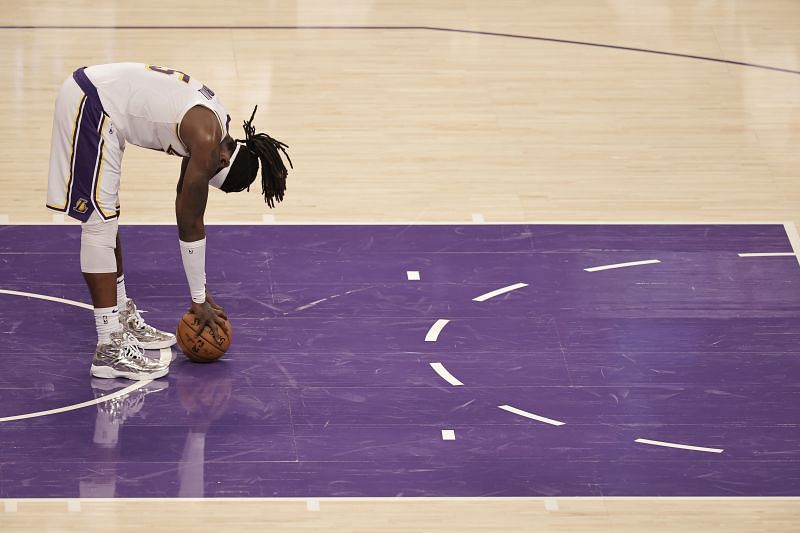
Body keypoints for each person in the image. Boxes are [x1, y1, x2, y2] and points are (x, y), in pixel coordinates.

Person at [46, 63, 292, 381]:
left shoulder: (217, 124)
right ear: (223, 160)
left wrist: (200, 293)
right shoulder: (206, 139)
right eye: (209, 177)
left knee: (107, 215)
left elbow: (181, 198)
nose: (201, 176)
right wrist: (199, 300)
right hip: (92, 104)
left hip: (105, 104)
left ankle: (119, 315)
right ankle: (109, 348)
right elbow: (190, 220)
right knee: (98, 223)